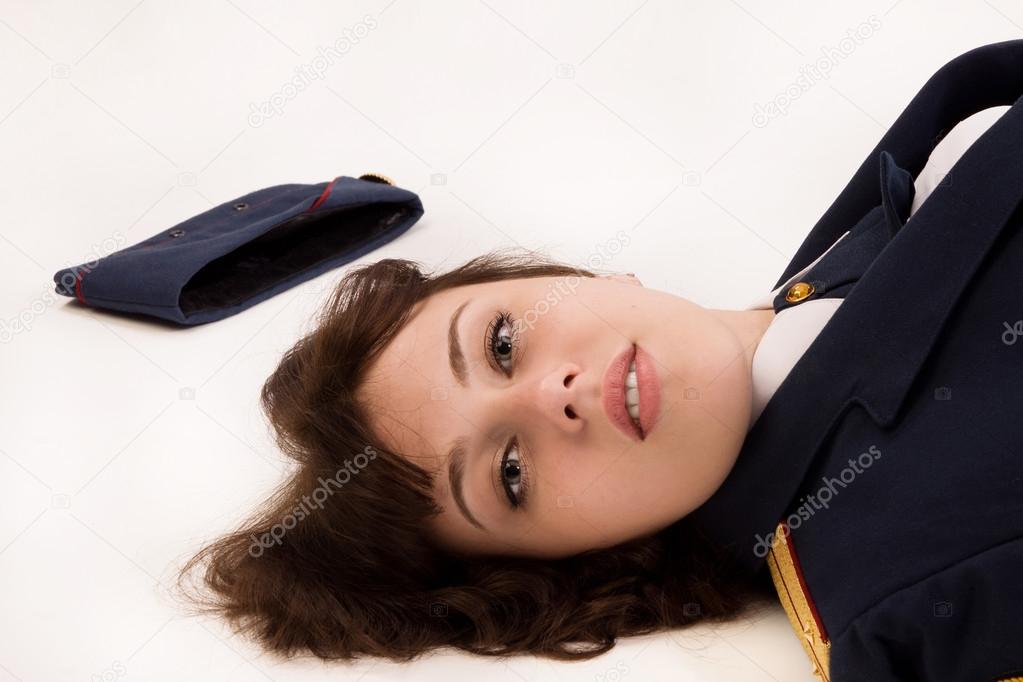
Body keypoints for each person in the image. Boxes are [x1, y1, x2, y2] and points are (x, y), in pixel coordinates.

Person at [177, 40, 1023, 680]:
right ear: (586, 556)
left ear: (572, 276)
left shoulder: (847, 241)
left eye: (502, 344)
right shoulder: (903, 601)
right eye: (508, 474)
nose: (557, 395)